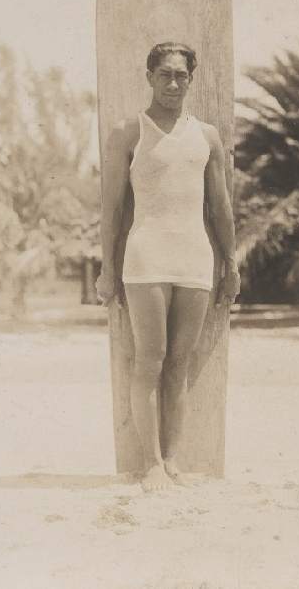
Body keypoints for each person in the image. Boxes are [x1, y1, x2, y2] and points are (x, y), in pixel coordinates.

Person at [96, 42, 240, 491]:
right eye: (165, 74)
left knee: (179, 362)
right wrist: (106, 269)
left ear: (191, 80)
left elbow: (220, 208)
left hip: (195, 255)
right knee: (149, 361)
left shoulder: (208, 136)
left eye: (181, 75)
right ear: (150, 78)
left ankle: (173, 459)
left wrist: (231, 266)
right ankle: (151, 465)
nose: (173, 83)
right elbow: (113, 210)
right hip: (146, 254)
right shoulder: (128, 132)